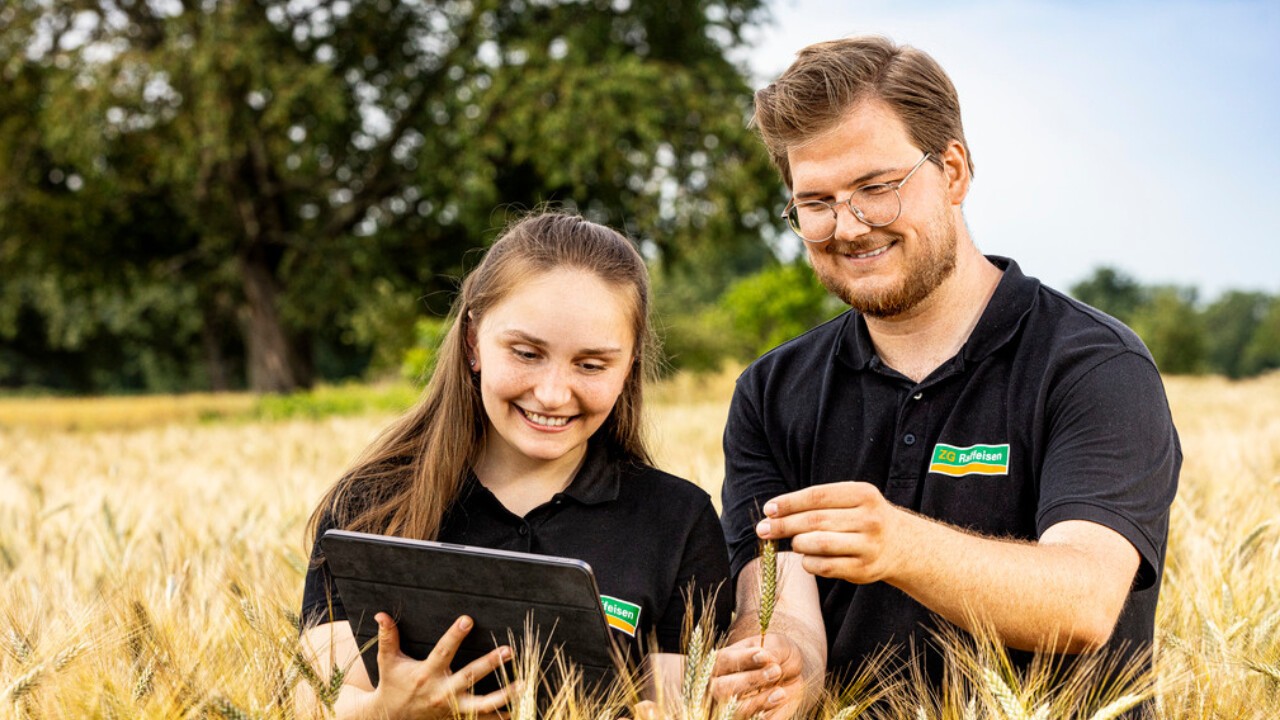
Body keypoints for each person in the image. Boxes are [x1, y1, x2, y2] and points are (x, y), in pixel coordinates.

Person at [711, 36, 1181, 717]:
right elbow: (780, 605)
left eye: (876, 188)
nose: (848, 226)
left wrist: (897, 543)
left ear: (954, 171)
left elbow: (1084, 601)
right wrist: (787, 664)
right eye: (815, 202)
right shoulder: (770, 391)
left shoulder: (1093, 364)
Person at [296, 212, 732, 719]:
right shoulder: (372, 501)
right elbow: (313, 698)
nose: (552, 393)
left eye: (591, 365)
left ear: (630, 365)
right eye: (526, 353)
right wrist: (389, 713)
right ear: (472, 341)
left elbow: (685, 703)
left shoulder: (677, 521)